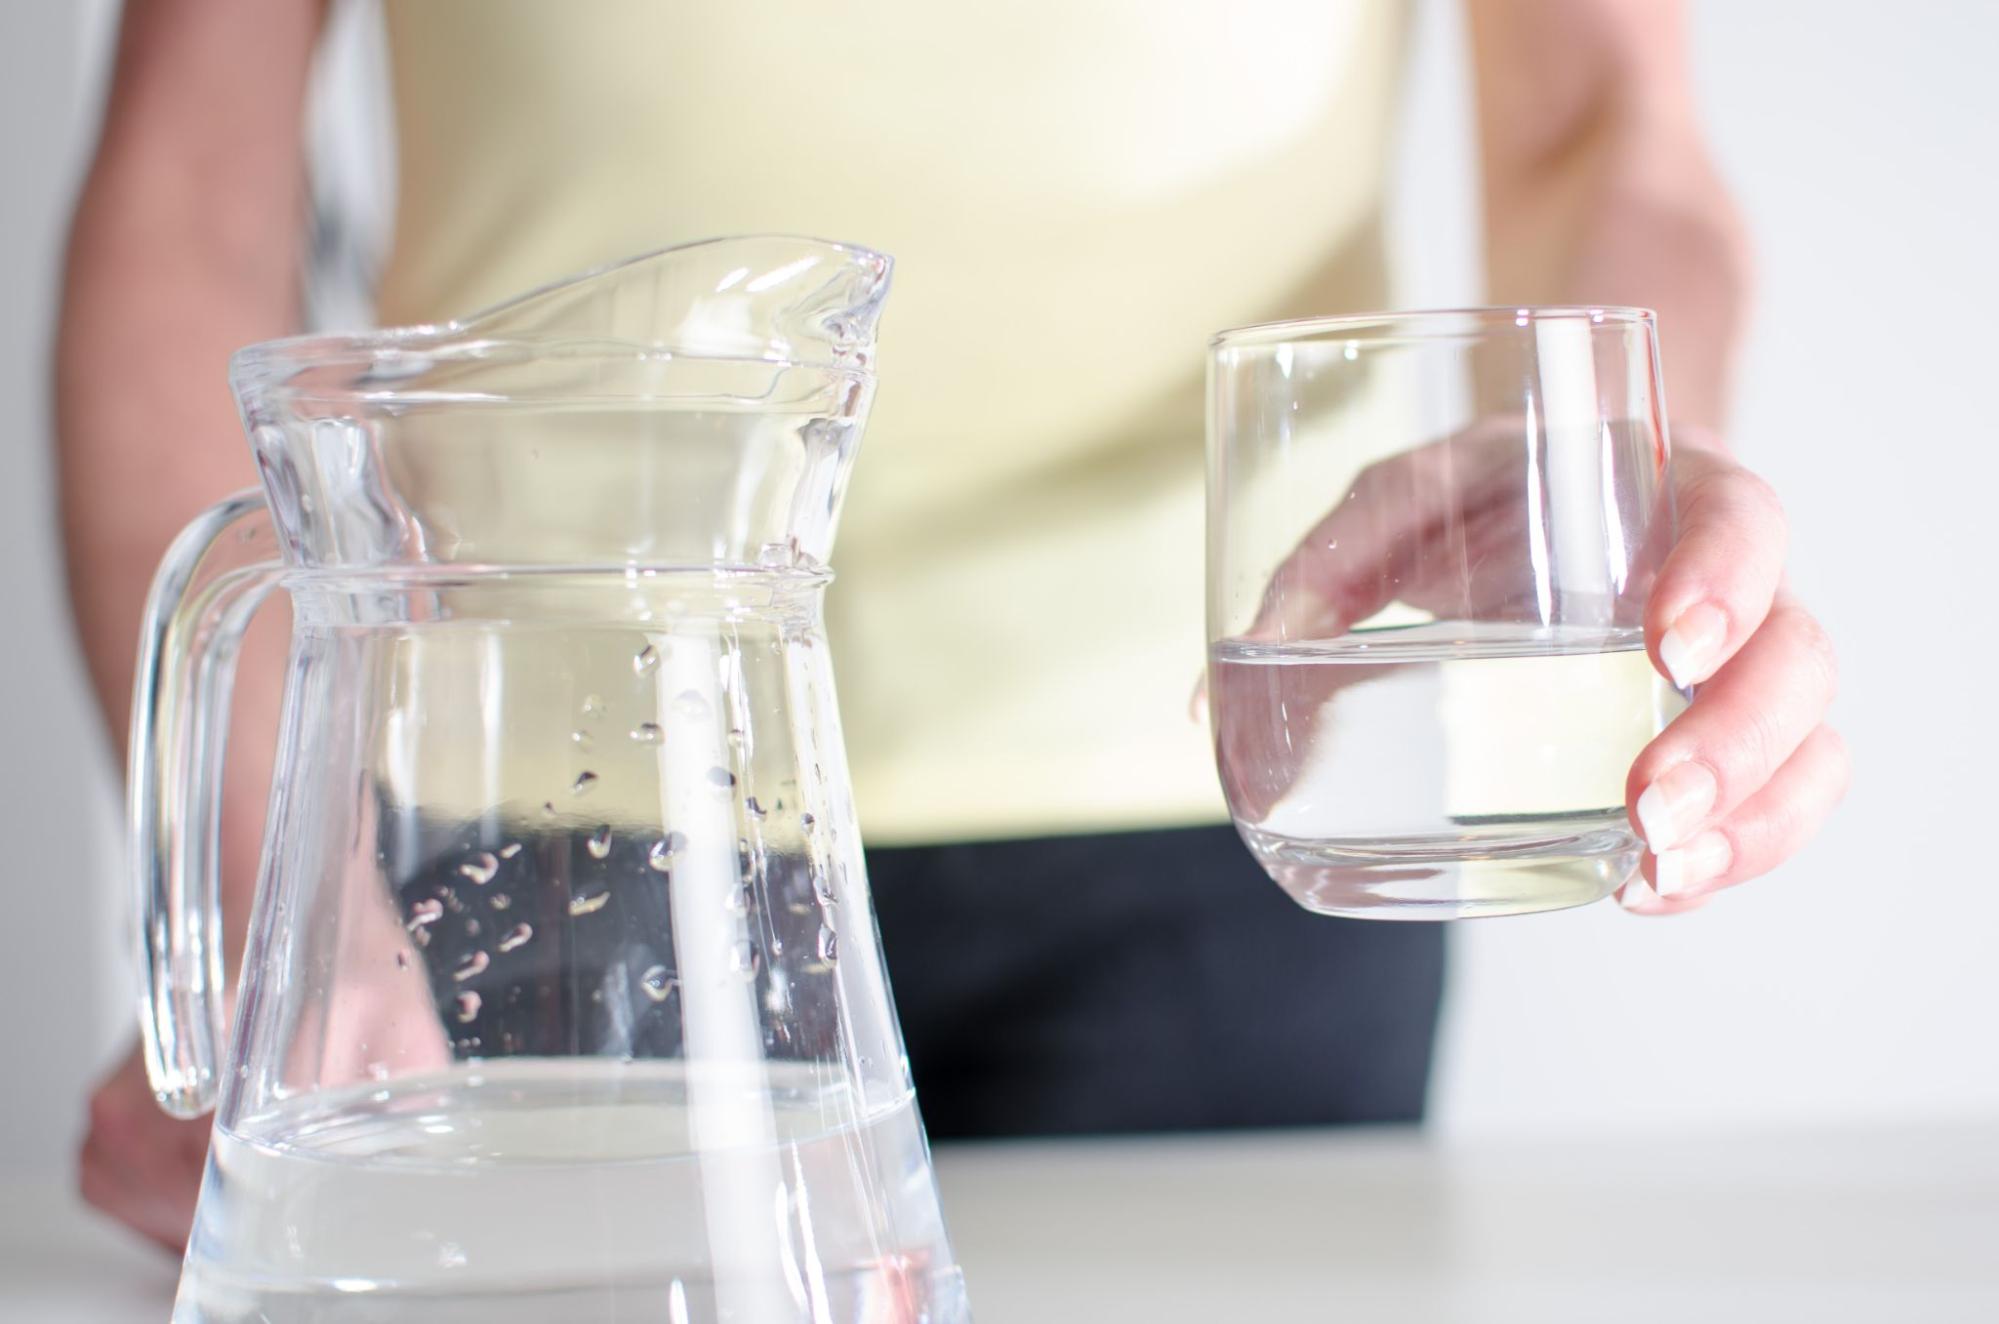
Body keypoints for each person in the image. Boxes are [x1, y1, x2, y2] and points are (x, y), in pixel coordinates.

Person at [60, 0, 1845, 1252]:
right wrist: (256, 899)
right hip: (541, 848)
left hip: (1236, 827)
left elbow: (1602, 123)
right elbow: (188, 204)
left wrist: (1607, 483)